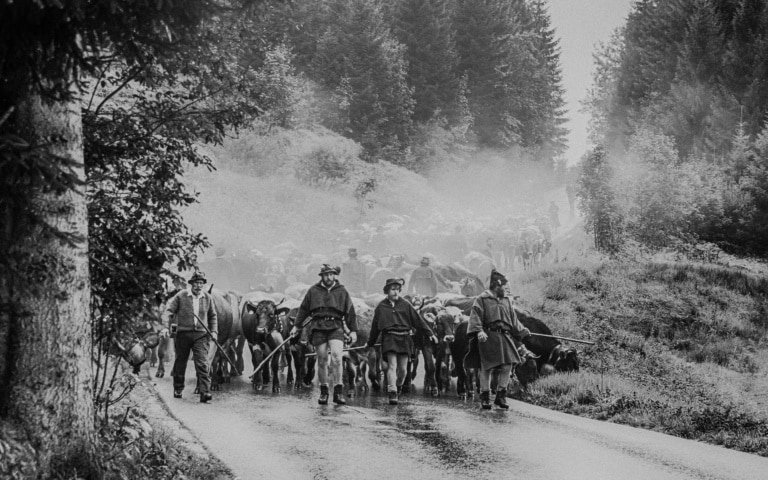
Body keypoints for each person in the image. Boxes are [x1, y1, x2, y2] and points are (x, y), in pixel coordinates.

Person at [291, 264, 358, 405]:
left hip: (336, 326)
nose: (329, 277)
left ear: (335, 275)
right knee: (321, 359)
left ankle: (338, 392)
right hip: (318, 327)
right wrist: (296, 326)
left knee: (337, 357)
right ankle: (324, 391)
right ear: (322, 276)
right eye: (326, 275)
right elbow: (303, 309)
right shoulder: (313, 291)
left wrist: (353, 330)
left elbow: (350, 312)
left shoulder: (342, 291)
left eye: (331, 274)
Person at [466, 270, 530, 410]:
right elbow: (475, 317)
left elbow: (513, 319)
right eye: (504, 286)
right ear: (496, 285)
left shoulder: (507, 300)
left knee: (508, 365)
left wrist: (522, 330)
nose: (506, 289)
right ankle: (485, 396)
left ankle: (501, 396)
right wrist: (479, 331)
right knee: (487, 367)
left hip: (504, 336)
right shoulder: (482, 299)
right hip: (488, 336)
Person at [366, 278, 437, 405]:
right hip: (389, 338)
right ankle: (392, 392)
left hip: (404, 338)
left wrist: (430, 333)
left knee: (403, 370)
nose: (395, 292)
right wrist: (370, 343)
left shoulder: (405, 304)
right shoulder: (381, 307)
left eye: (398, 290)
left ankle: (397, 387)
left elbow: (418, 320)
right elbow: (375, 327)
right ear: (387, 291)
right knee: (392, 366)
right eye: (393, 289)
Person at [162, 271, 218, 403]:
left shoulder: (207, 298)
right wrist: (165, 326)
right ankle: (178, 387)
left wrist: (214, 331)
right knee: (181, 362)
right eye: (196, 283)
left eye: (201, 283)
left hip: (201, 335)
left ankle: (205, 392)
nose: (198, 286)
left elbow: (213, 316)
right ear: (191, 284)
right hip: (183, 334)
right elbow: (169, 311)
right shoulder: (181, 296)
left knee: (203, 363)